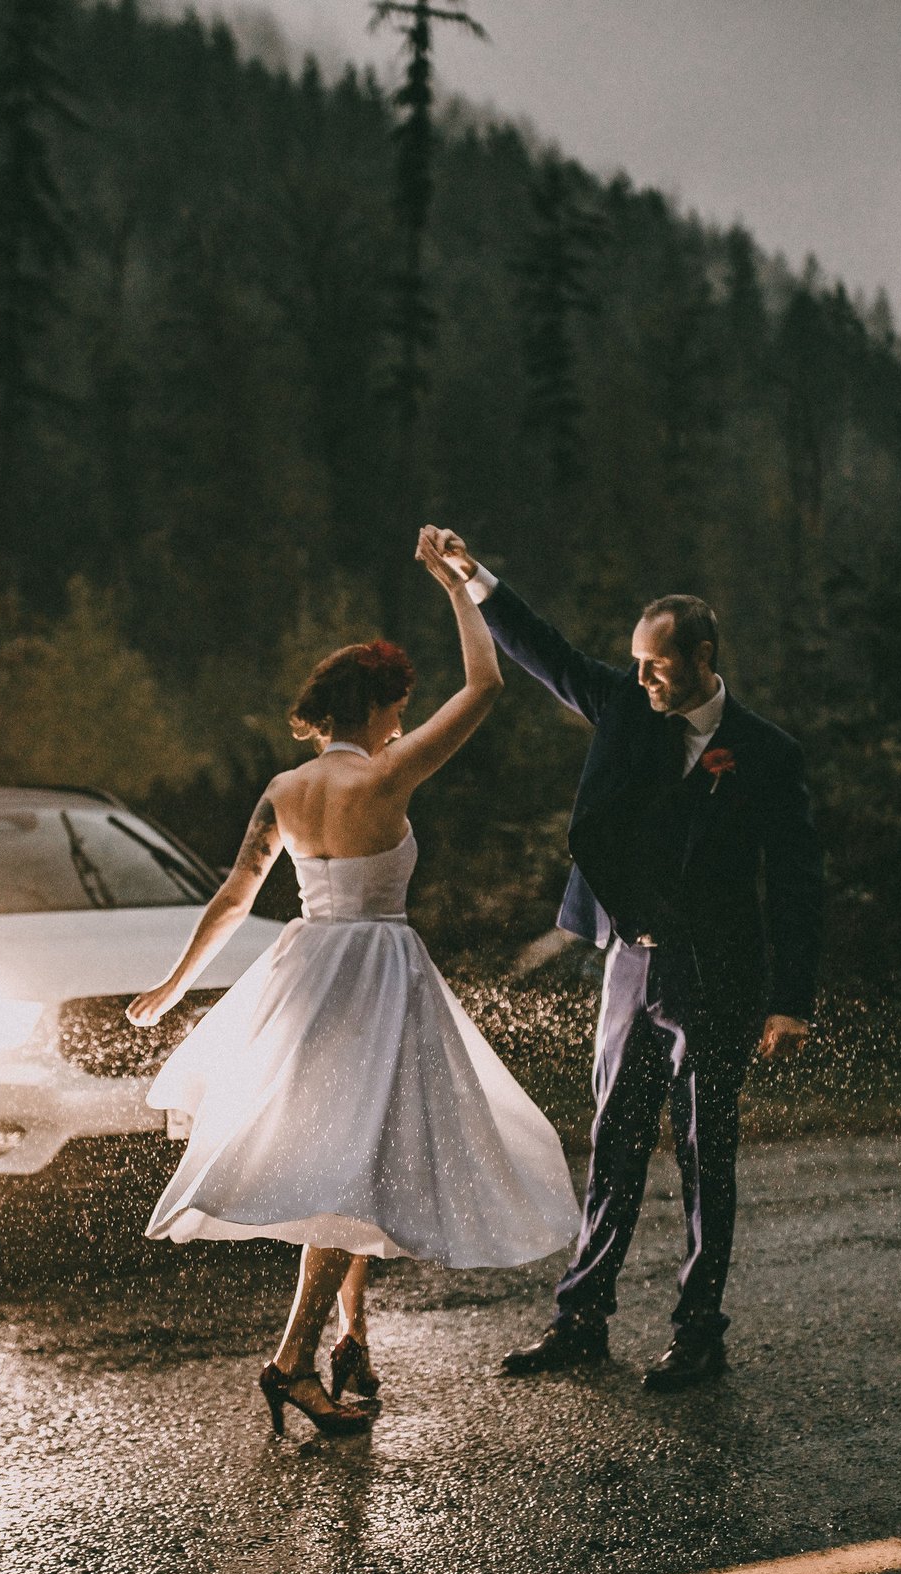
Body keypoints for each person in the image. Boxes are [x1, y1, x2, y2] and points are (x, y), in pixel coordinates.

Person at [127, 528, 580, 1439]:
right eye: (399, 707)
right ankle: (292, 1362)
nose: (405, 722)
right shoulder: (388, 772)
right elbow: (487, 685)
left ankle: (352, 1335)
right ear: (375, 710)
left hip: (305, 975)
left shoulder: (285, 787)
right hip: (375, 978)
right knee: (355, 1164)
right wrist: (457, 584)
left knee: (352, 1161)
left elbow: (233, 894)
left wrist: (176, 988)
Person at [428, 536, 824, 1392]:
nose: (642, 678)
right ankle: (581, 1318)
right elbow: (547, 652)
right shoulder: (622, 705)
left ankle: (698, 1330)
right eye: (638, 664)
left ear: (702, 658)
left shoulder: (767, 754)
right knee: (612, 1142)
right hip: (628, 966)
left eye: (657, 665)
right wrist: (474, 576)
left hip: (717, 974)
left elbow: (795, 883)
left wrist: (790, 1000)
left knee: (702, 1151)